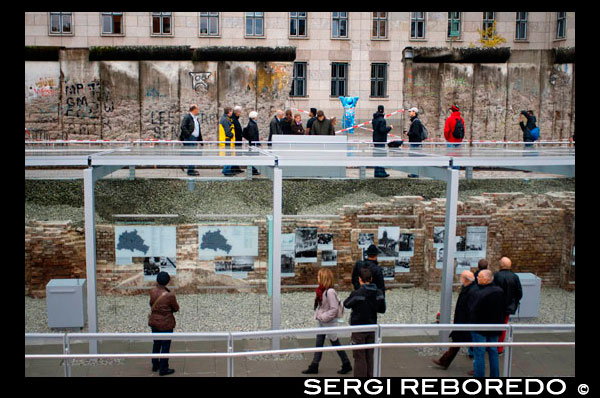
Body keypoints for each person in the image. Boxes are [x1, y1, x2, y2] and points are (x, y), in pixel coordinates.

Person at [301, 268, 353, 375]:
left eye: (319, 276)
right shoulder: (322, 290)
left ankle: (346, 363)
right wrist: (320, 316)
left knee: (335, 342)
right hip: (323, 321)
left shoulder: (329, 292)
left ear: (324, 278)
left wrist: (322, 317)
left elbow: (333, 309)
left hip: (328, 322)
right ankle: (314, 365)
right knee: (319, 342)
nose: (317, 278)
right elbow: (323, 307)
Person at [343, 267, 386, 378]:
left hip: (358, 329)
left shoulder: (357, 293)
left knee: (359, 357)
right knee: (369, 356)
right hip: (372, 327)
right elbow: (382, 309)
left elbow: (346, 304)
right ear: (371, 278)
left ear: (360, 279)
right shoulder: (378, 293)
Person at [432, 270, 476, 370]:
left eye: (461, 276)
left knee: (475, 346)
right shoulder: (468, 288)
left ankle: (478, 368)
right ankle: (444, 361)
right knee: (457, 342)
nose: (460, 278)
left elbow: (470, 309)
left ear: (465, 279)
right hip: (462, 322)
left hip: (465, 323)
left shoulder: (471, 291)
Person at [467, 269, 505, 377]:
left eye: (479, 276)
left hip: (480, 328)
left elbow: (472, 310)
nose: (477, 278)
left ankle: (479, 376)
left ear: (486, 279)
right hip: (495, 327)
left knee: (479, 353)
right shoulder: (500, 291)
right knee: (493, 352)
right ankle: (495, 376)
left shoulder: (478, 293)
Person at [148, 271, 180, 376]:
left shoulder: (152, 291)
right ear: (167, 282)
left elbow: (151, 304)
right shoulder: (170, 295)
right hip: (166, 323)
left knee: (156, 343)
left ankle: (155, 365)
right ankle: (163, 368)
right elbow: (176, 308)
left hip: (155, 322)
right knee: (165, 346)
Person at [494, 257, 523, 355]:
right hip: (507, 307)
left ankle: (492, 345)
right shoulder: (515, 277)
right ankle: (499, 348)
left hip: (496, 307)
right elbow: (519, 293)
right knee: (503, 328)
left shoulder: (496, 276)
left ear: (500, 265)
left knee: (493, 326)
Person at [179, 104, 203, 176]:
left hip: (194, 138)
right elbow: (183, 126)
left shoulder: (195, 118)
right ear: (194, 110)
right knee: (192, 154)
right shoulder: (188, 117)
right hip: (190, 138)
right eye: (197, 109)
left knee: (193, 154)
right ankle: (190, 170)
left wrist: (200, 140)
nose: (198, 111)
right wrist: (189, 135)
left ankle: (190, 167)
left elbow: (197, 129)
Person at [372, 105, 393, 178]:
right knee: (381, 156)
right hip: (381, 140)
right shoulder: (382, 120)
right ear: (383, 110)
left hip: (375, 140)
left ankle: (377, 172)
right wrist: (390, 128)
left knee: (377, 156)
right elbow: (382, 130)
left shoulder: (374, 119)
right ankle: (380, 172)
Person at [405, 107, 424, 178]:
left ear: (414, 112)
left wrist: (408, 133)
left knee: (414, 158)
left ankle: (415, 173)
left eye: (411, 112)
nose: (409, 113)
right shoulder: (416, 121)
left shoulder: (416, 122)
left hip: (415, 142)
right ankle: (414, 173)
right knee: (414, 158)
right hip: (415, 142)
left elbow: (415, 133)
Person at [219, 106, 236, 176]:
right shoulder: (225, 120)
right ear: (229, 112)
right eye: (231, 111)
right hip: (227, 140)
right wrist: (231, 135)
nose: (232, 113)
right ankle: (226, 170)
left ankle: (226, 169)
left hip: (227, 140)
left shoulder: (225, 119)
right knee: (228, 156)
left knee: (229, 155)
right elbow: (227, 131)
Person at [243, 111, 261, 176]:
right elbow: (252, 135)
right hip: (253, 144)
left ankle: (253, 170)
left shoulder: (251, 123)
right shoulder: (252, 124)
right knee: (253, 157)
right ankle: (253, 170)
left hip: (253, 143)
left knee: (253, 157)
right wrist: (256, 143)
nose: (257, 118)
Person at [229, 106, 244, 174]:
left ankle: (236, 167)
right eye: (240, 112)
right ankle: (234, 168)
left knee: (237, 154)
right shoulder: (233, 119)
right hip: (235, 140)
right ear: (237, 112)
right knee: (235, 154)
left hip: (238, 140)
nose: (240, 113)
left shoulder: (235, 119)